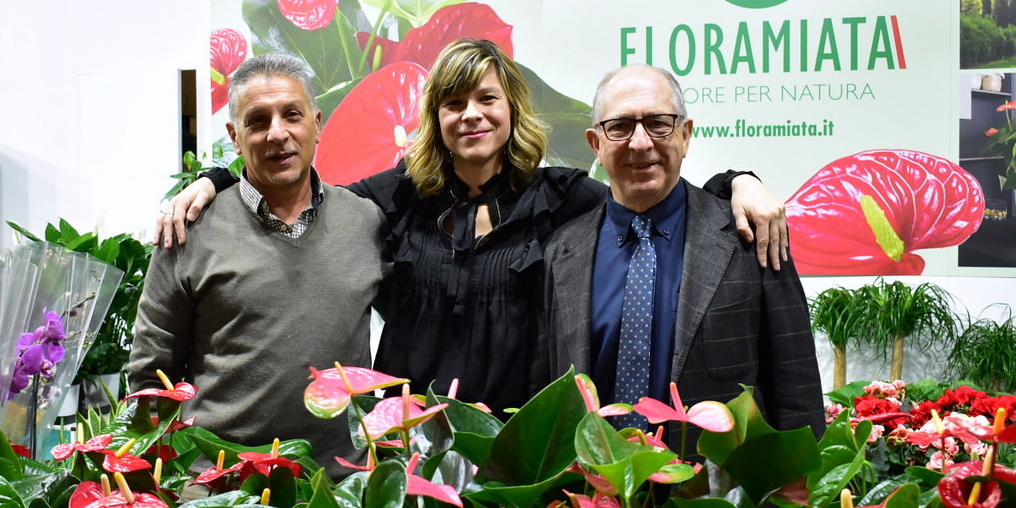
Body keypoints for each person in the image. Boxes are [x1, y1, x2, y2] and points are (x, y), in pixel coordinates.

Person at [158, 40, 790, 411]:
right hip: (408, 438)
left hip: (516, 443)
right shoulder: (395, 198)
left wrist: (735, 182)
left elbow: (645, 191)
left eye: (487, 99)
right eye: (453, 103)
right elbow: (300, 192)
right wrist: (216, 179)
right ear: (435, 118)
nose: (471, 115)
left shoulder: (562, 198)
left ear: (511, 109)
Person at [127, 54, 385, 470]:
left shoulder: (365, 221)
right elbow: (151, 371)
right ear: (235, 135)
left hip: (342, 480)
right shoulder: (190, 229)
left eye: (292, 115)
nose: (277, 133)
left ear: (317, 124)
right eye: (258, 121)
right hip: (221, 483)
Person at [538, 64, 822, 438]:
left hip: (718, 474)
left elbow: (796, 386)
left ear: (685, 136)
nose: (640, 143)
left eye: (658, 124)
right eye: (620, 127)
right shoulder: (561, 253)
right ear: (596, 144)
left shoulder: (751, 236)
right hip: (596, 474)